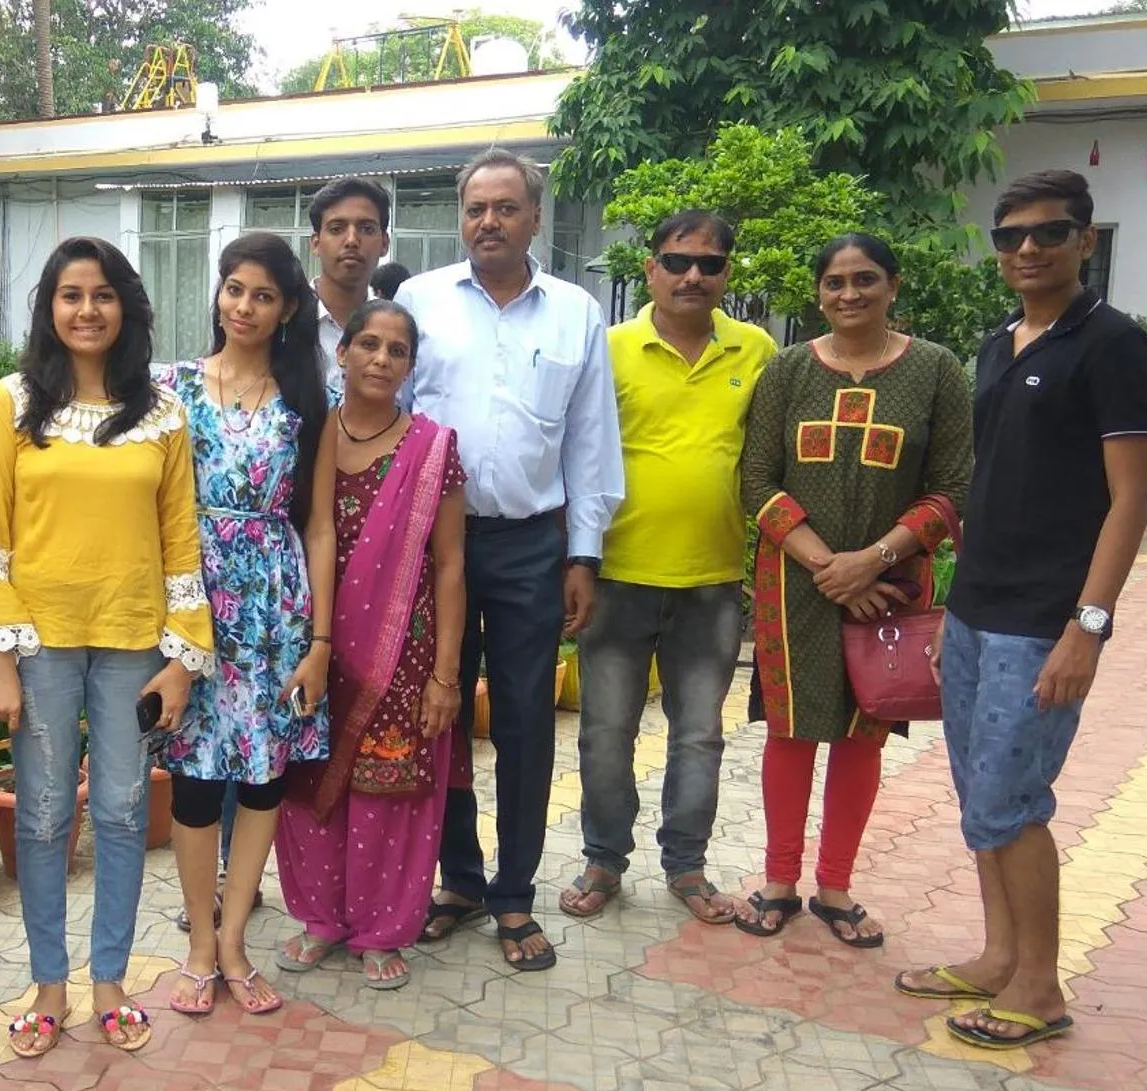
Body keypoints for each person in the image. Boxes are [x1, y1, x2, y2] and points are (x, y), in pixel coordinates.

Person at [900, 171, 1147, 1050]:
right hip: (977, 609)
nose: (1025, 251)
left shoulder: (1114, 347)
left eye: (1047, 235)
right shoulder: (997, 344)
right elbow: (990, 483)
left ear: (1084, 242)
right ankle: (997, 956)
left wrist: (1085, 628)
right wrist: (949, 608)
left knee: (1013, 798)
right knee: (980, 793)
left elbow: (1130, 499)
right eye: (1008, 236)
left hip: (1044, 619)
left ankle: (1040, 989)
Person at [0, 237, 213, 1056]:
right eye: (70, 295)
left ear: (125, 308)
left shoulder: (162, 411)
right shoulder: (10, 401)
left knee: (116, 811)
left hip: (132, 642)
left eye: (102, 294)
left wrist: (183, 655)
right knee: (39, 819)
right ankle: (47, 984)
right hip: (37, 643)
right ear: (48, 308)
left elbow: (181, 539)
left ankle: (108, 980)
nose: (86, 310)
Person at [398, 147, 623, 971]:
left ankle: (514, 894)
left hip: (533, 542)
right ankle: (457, 880)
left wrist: (583, 555)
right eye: (474, 209)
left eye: (504, 207)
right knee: (441, 712)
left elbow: (591, 440)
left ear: (533, 216)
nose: (486, 221)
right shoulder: (419, 301)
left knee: (527, 722)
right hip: (435, 546)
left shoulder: (574, 313)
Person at [736, 233, 973, 948]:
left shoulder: (935, 372)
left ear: (892, 285)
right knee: (792, 729)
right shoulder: (785, 372)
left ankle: (834, 886)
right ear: (817, 293)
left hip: (890, 583)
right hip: (794, 582)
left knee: (861, 731)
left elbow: (952, 486)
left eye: (864, 279)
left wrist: (871, 561)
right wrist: (826, 568)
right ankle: (779, 880)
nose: (849, 294)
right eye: (834, 282)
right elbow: (755, 480)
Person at [559, 211, 776, 927]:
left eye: (708, 264)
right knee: (605, 732)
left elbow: (766, 464)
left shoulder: (757, 351)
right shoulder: (610, 347)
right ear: (648, 268)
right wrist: (578, 561)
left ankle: (686, 867)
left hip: (710, 584)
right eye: (676, 261)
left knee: (698, 735)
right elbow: (579, 456)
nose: (691, 276)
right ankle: (602, 861)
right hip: (617, 575)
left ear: (725, 275)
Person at [159, 232, 335, 1016]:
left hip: (273, 603)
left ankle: (235, 941)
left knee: (263, 775)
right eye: (234, 289)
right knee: (196, 778)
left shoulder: (304, 401)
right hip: (195, 601)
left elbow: (321, 526)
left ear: (287, 308)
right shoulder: (174, 388)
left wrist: (320, 643)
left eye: (263, 295)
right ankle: (199, 942)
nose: (244, 306)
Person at [277, 299, 467, 991]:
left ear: (411, 365)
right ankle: (321, 920)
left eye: (396, 350)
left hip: (404, 653)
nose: (381, 360)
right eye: (368, 344)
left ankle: (384, 928)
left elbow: (449, 565)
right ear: (343, 352)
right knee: (308, 786)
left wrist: (445, 675)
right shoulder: (308, 436)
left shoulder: (432, 448)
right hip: (315, 642)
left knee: (391, 791)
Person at [309, 178, 392, 396]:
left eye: (366, 228)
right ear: (315, 243)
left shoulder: (395, 329)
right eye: (337, 228)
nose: (352, 240)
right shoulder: (283, 321)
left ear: (384, 243)